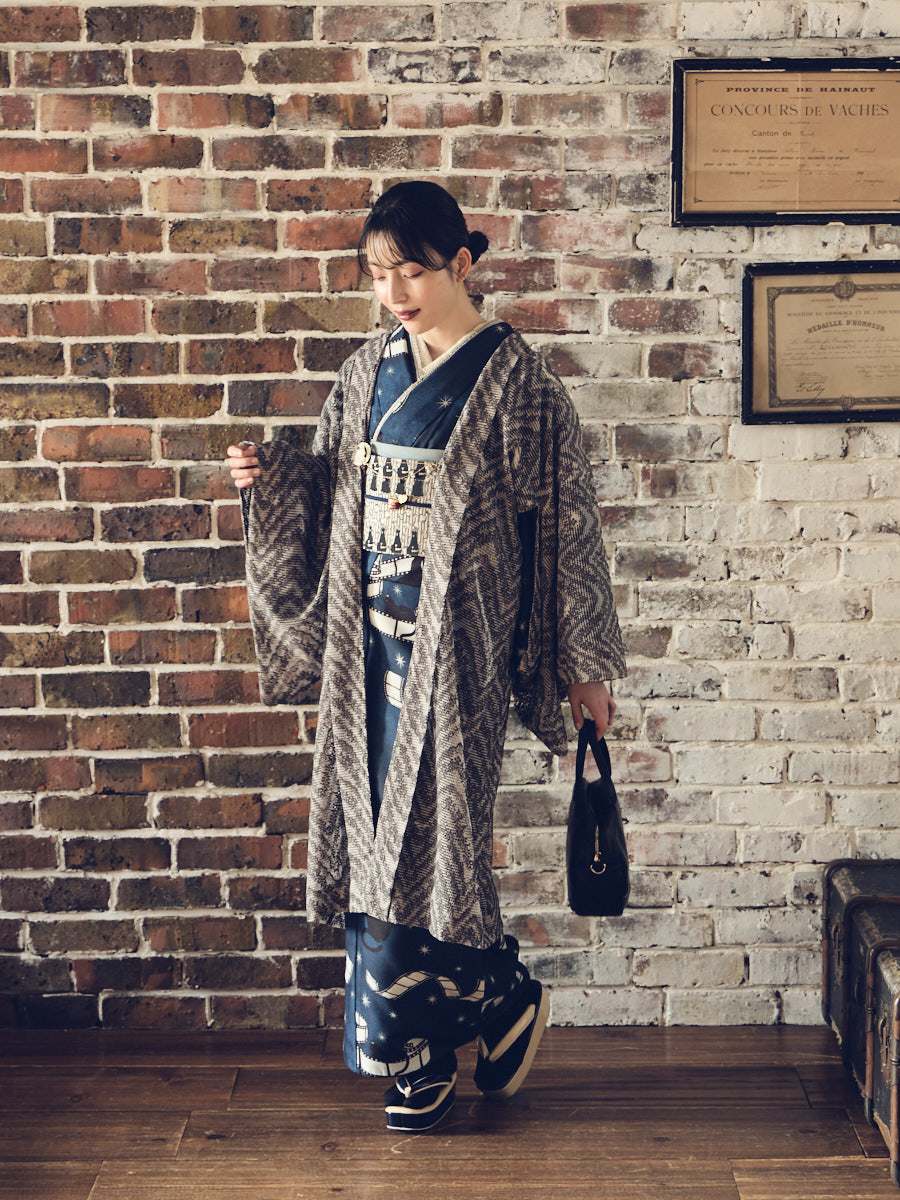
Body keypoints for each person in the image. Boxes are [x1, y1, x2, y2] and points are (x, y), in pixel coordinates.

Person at [226, 180, 627, 1133]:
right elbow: (327, 489)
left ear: (462, 263)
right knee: (374, 839)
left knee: (436, 837)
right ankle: (449, 1033)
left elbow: (568, 528)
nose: (394, 294)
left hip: (463, 652)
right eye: (378, 276)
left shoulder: (521, 387)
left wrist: (584, 666)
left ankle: (454, 1029)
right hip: (365, 648)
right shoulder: (365, 373)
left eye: (411, 271)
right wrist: (268, 477)